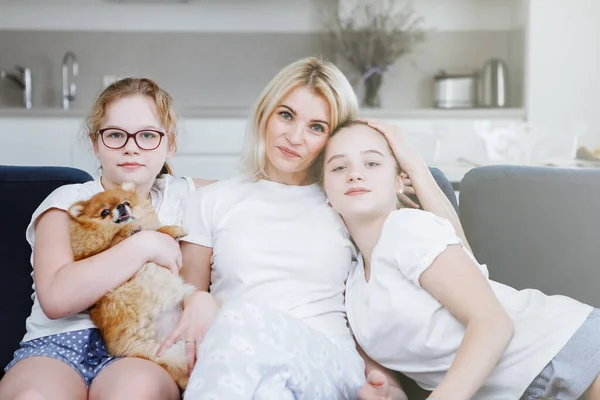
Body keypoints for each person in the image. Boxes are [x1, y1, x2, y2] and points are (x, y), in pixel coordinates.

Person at [158, 57, 408, 399]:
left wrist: (390, 385)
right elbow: (185, 300)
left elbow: (446, 254)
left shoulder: (346, 202)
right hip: (239, 367)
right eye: (286, 115)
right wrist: (195, 298)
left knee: (240, 316)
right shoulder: (211, 200)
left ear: (333, 138)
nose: (294, 137)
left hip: (328, 367)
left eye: (316, 127)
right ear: (265, 113)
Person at [319, 118, 600, 400]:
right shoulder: (353, 287)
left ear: (398, 181)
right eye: (339, 167)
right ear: (325, 192)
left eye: (371, 163)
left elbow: (493, 323)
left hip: (567, 347)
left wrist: (415, 164)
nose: (354, 174)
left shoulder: (406, 229)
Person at [0, 77, 213, 400]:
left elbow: (261, 188)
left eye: (147, 135)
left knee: (134, 393)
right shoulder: (70, 200)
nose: (131, 146)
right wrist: (144, 245)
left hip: (142, 346)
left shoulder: (186, 196)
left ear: (169, 143)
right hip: (58, 344)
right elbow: (57, 297)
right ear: (96, 143)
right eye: (115, 135)